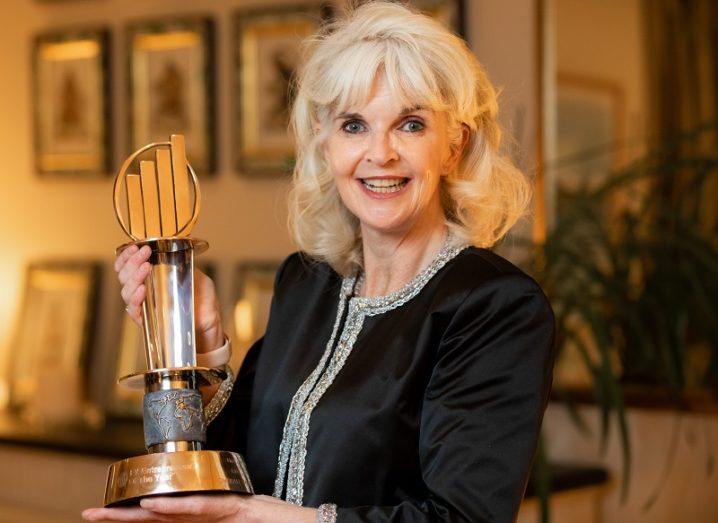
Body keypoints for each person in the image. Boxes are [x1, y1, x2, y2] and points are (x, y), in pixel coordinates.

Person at [83, 2, 556, 522]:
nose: (381, 153)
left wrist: (254, 517)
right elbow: (232, 465)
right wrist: (203, 339)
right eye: (354, 125)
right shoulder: (305, 281)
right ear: (326, 143)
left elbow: (464, 517)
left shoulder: (494, 306)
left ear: (453, 146)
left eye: (411, 124)